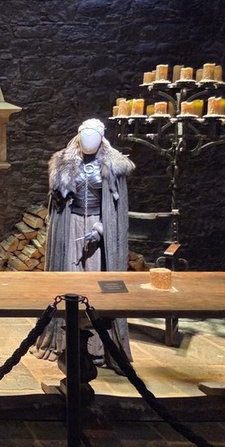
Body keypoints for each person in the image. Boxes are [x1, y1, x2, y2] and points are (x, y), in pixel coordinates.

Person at [32, 119, 135, 368]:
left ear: (101, 138)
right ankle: (65, 340)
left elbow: (117, 208)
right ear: (78, 137)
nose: (89, 141)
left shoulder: (114, 165)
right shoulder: (63, 163)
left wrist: (102, 229)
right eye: (85, 136)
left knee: (96, 283)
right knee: (70, 279)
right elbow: (57, 203)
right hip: (72, 224)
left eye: (94, 137)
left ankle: (98, 344)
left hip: (99, 226)